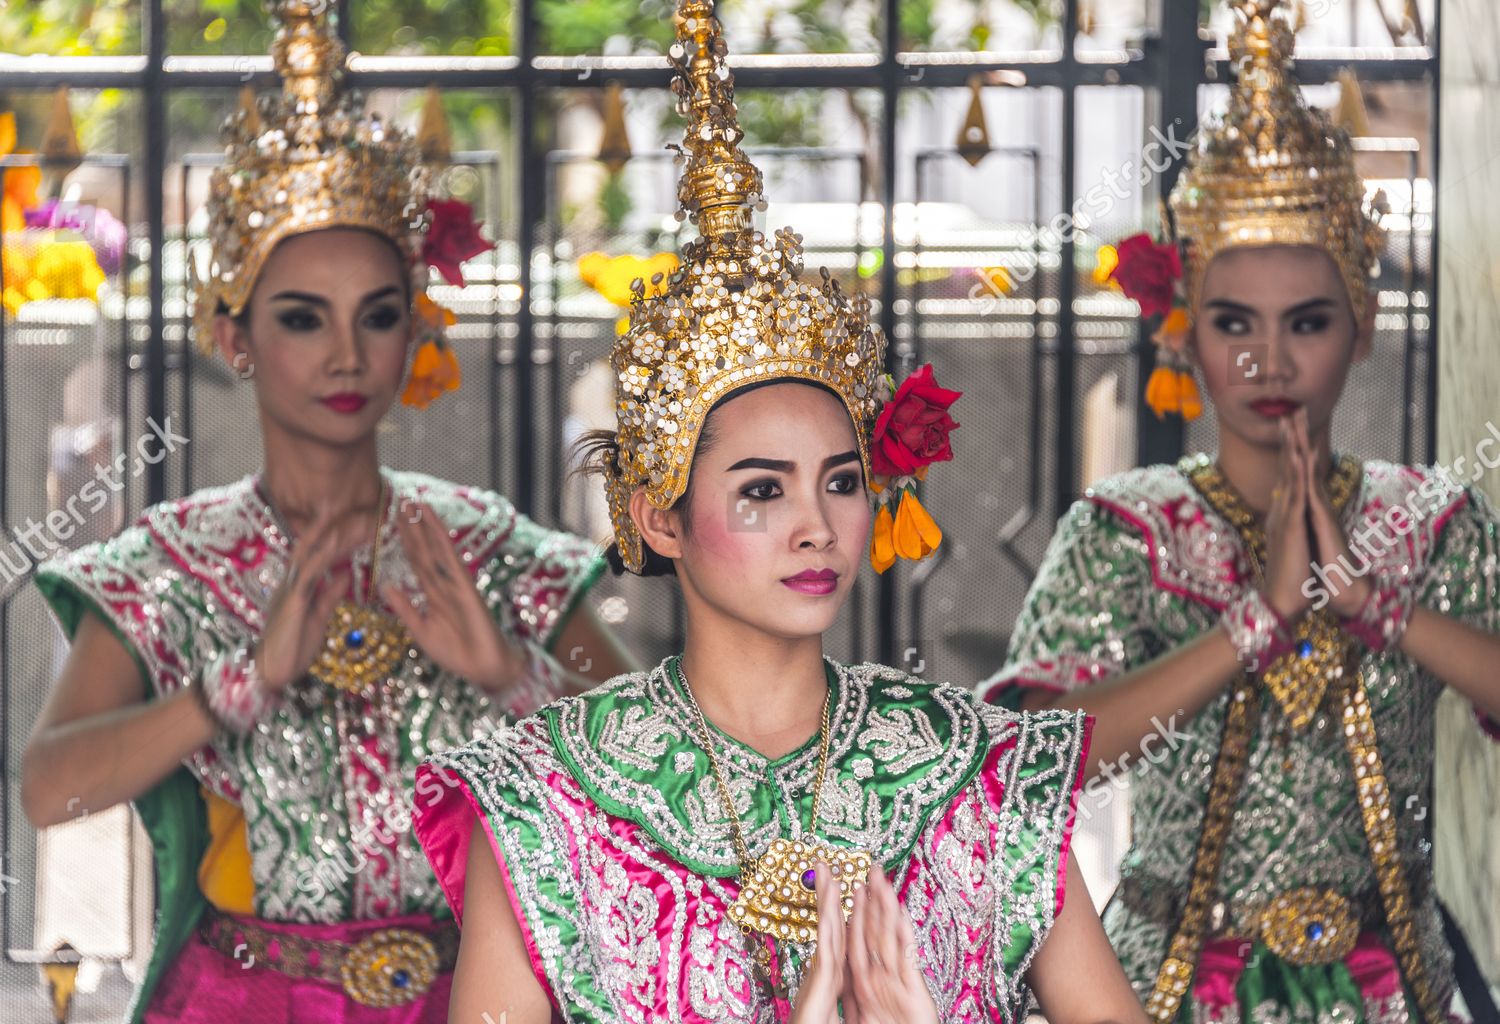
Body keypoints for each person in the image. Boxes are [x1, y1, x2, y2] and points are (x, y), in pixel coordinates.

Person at [407, 3, 1150, 1023]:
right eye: (762, 489)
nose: (818, 525)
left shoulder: (976, 774)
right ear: (657, 518)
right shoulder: (547, 803)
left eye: (841, 480)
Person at [20, 3, 632, 1020]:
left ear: (411, 334)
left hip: (472, 993)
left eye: (378, 316)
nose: (347, 354)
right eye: (303, 318)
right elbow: (52, 790)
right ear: (236, 337)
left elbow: (658, 771)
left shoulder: (488, 550)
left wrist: (509, 675)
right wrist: (238, 686)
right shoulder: (169, 565)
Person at [982, 3, 1500, 1024]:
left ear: (1364, 325)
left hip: (1393, 986)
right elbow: (1036, 768)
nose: (1270, 361)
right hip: (1167, 984)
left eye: (1308, 322)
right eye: (1235, 325)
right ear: (1188, 335)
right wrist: (1253, 626)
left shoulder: (1432, 518)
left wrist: (1375, 607)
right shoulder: (1126, 528)